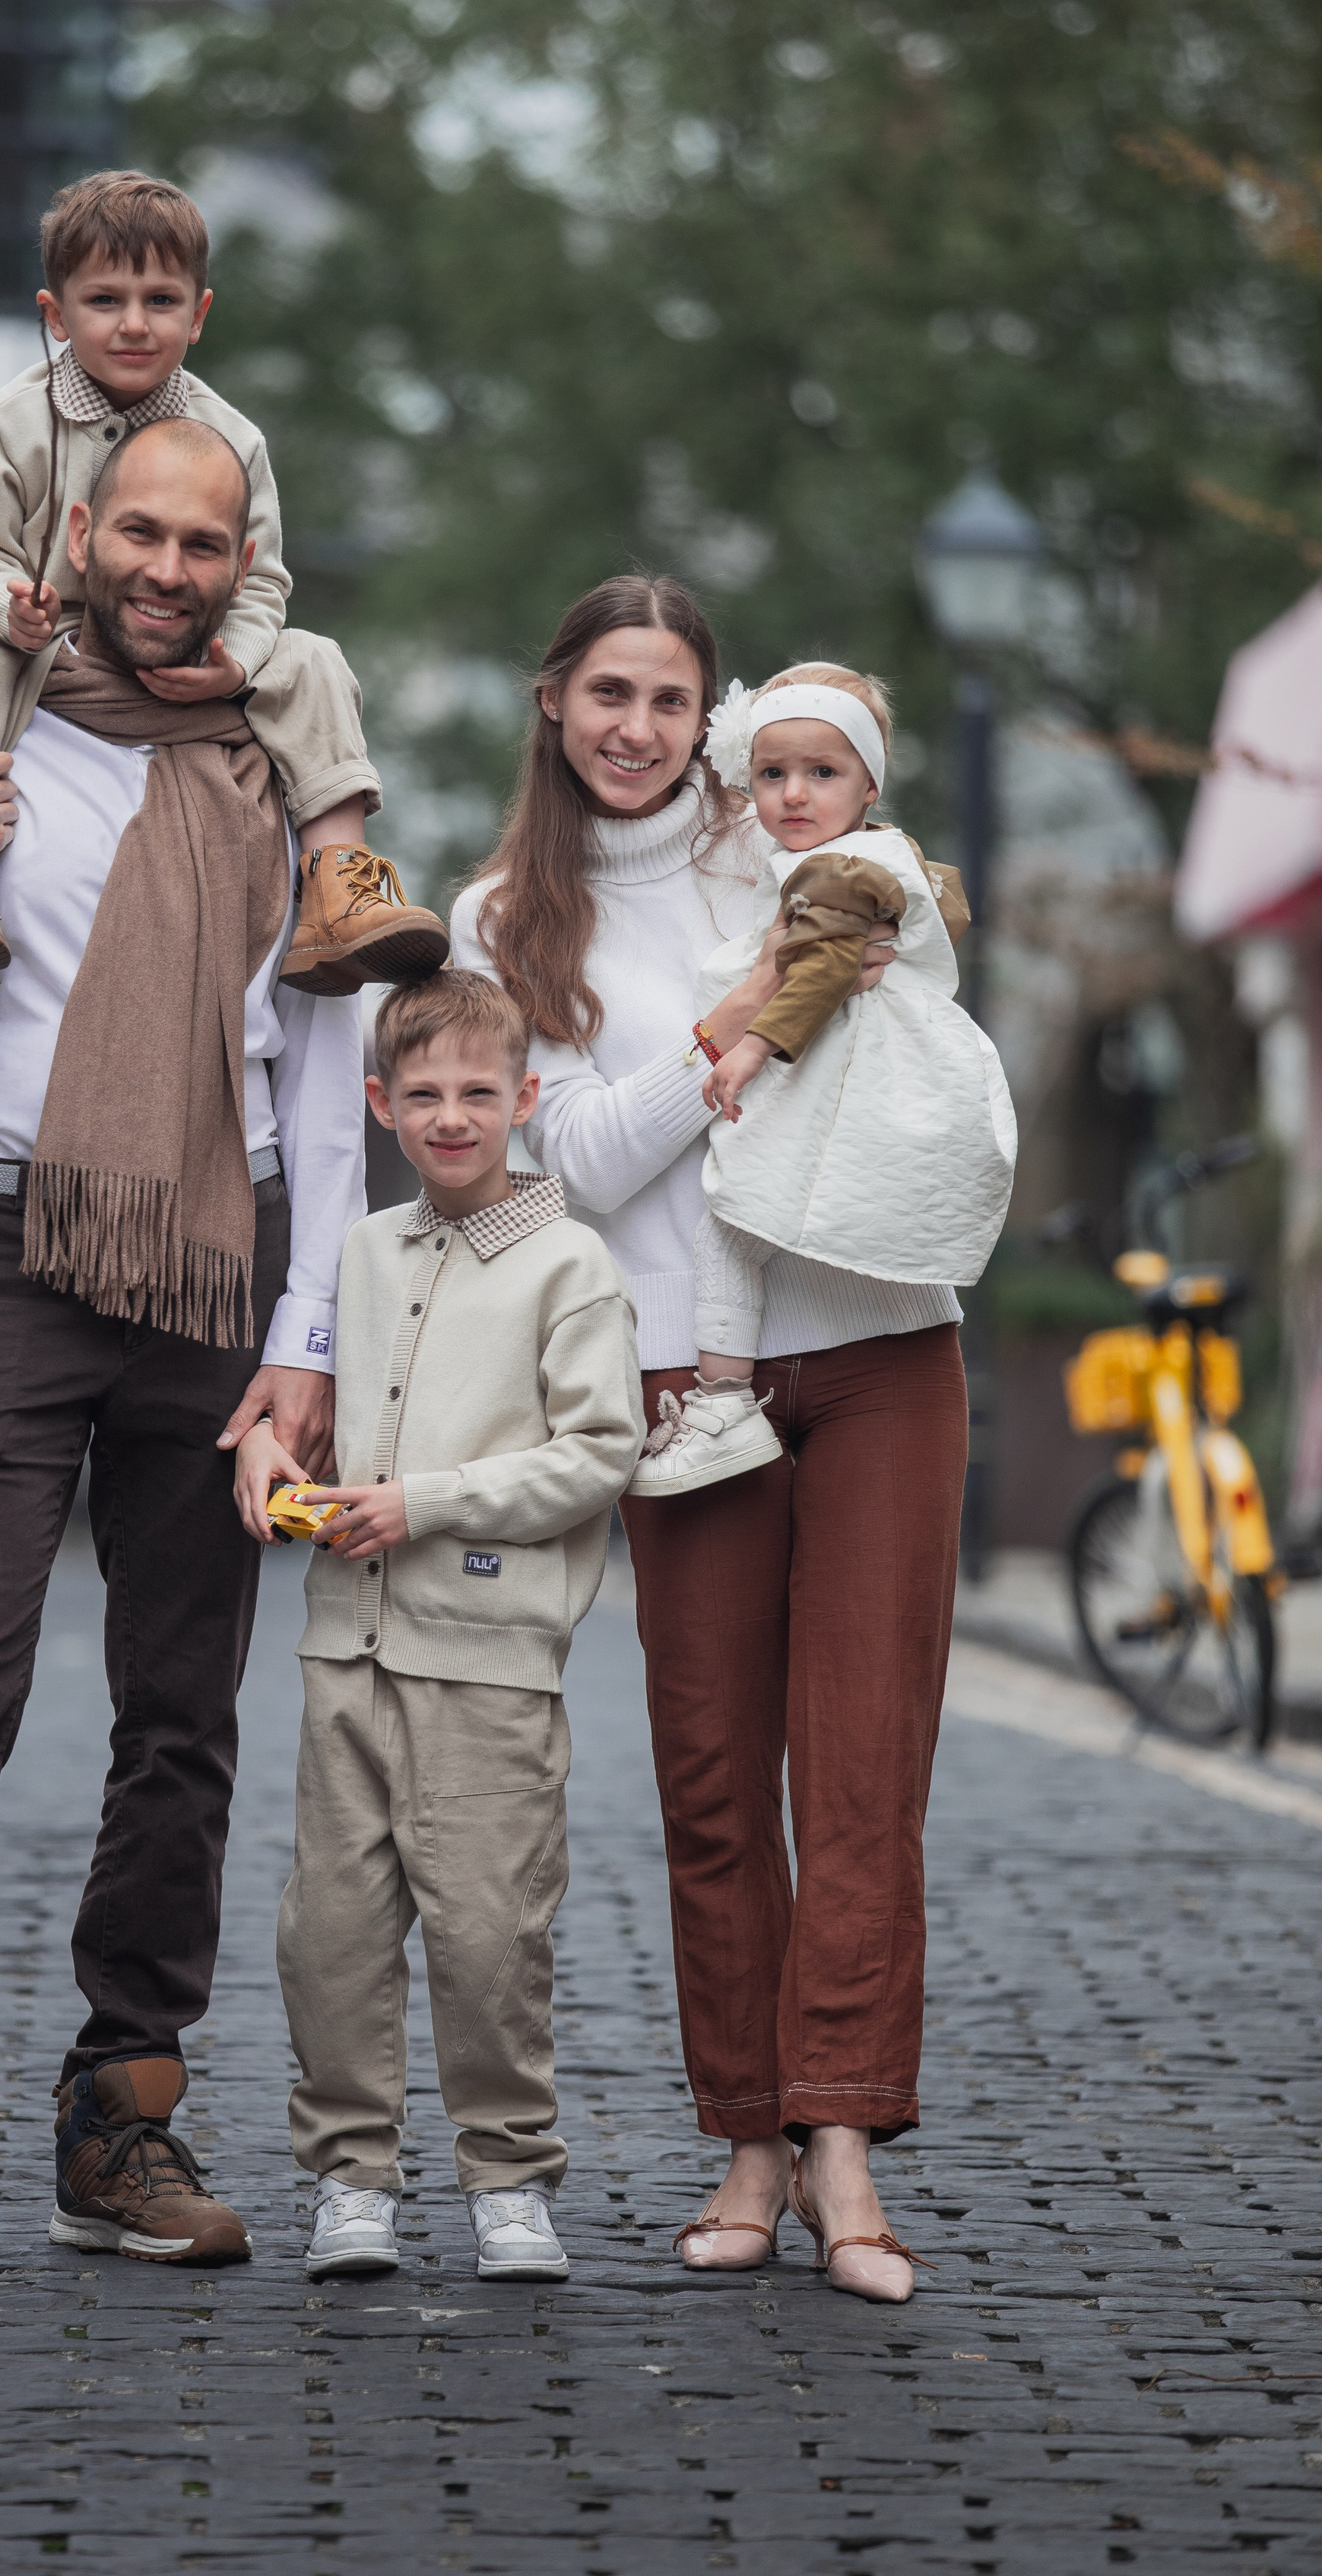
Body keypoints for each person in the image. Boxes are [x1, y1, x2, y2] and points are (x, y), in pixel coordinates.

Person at [0, 416, 366, 2300]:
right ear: (76, 526)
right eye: (138, 528)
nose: (169, 566)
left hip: (222, 1257)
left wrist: (307, 1341)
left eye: (204, 540)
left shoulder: (290, 754)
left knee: (182, 1711)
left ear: (239, 555)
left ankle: (119, 2115)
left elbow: (324, 1073)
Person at [450, 575, 969, 2305]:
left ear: (710, 717)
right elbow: (579, 1163)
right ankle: (742, 2127)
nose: (636, 729)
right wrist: (748, 1010)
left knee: (862, 1765)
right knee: (707, 1780)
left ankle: (836, 2141)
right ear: (552, 698)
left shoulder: (785, 838)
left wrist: (791, 960)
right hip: (680, 1384)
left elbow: (911, 957)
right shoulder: (494, 920)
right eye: (607, 691)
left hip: (878, 1347)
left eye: (669, 700)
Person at [233, 970, 643, 2285]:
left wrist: (424, 1503)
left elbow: (600, 1453)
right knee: (331, 1934)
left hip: (490, 1661)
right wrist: (266, 1459)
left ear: (524, 1099)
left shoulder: (573, 1262)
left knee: (488, 1932)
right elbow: (320, 1418)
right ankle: (350, 2178)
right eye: (424, 1094)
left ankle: (508, 2179)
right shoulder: (359, 1253)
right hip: (342, 1647)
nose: (453, 1114)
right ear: (381, 1106)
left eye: (479, 1091)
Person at [0, 166, 445, 996]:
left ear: (199, 315)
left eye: (159, 300)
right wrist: (8, 606)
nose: (133, 324)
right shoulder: (9, 424)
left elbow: (263, 586)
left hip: (183, 650)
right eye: (104, 300)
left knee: (314, 659)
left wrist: (238, 661)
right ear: (54, 315)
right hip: (42, 656)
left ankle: (339, 874)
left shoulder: (233, 439)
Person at [630, 661, 1013, 1495]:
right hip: (858, 1065)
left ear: (868, 784)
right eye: (772, 775)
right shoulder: (888, 858)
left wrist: (748, 1049)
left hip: (829, 1067)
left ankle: (724, 1399)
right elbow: (940, 914)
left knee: (728, 1226)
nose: (793, 794)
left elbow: (823, 968)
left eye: (822, 773)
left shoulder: (837, 872)